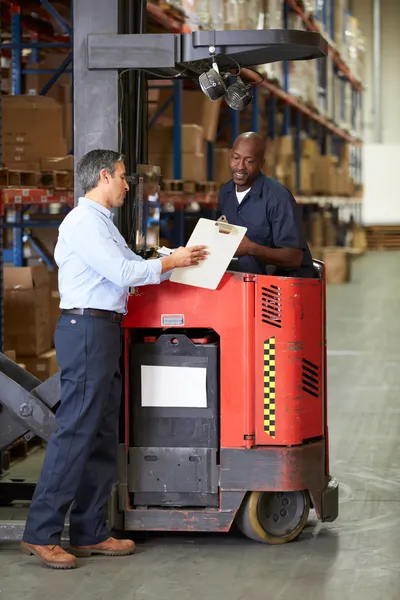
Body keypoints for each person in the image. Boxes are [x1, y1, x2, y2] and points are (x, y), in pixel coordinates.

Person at [20, 149, 207, 570]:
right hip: (85, 331)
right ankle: (41, 532)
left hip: (103, 329)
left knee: (103, 432)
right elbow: (124, 273)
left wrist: (170, 263)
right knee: (75, 433)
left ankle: (89, 531)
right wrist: (170, 262)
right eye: (123, 177)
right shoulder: (84, 222)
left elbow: (128, 267)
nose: (127, 185)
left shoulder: (102, 224)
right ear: (103, 176)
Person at [218, 132, 315, 278]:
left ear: (261, 164)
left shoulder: (278, 198)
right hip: (247, 281)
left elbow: (294, 258)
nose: (240, 167)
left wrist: (251, 248)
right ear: (230, 155)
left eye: (249, 161)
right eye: (236, 158)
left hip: (283, 286)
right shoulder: (226, 193)